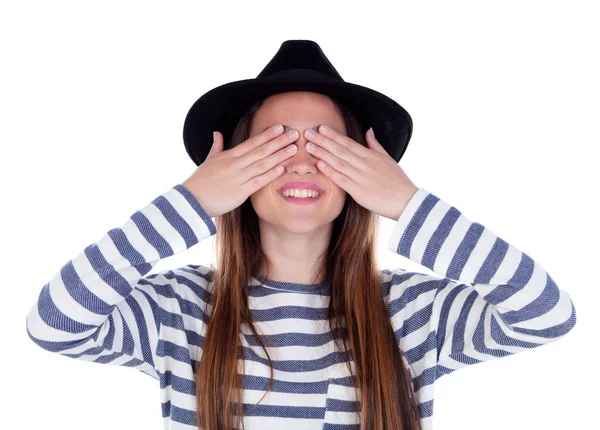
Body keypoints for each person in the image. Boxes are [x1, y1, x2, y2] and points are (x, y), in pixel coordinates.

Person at [25, 40, 577, 430]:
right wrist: (189, 203)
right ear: (234, 170)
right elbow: (55, 323)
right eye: (274, 145)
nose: (302, 163)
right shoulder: (181, 308)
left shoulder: (412, 313)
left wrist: (408, 205)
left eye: (326, 145)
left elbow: (545, 313)